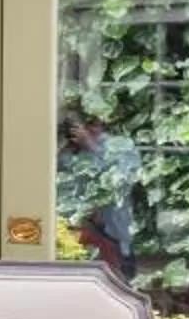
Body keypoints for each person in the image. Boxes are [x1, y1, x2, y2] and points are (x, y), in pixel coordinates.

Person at [57, 104, 141, 278]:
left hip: (114, 235)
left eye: (91, 123)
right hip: (77, 237)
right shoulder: (69, 154)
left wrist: (91, 146)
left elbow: (122, 179)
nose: (86, 129)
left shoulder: (120, 146)